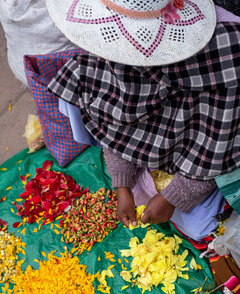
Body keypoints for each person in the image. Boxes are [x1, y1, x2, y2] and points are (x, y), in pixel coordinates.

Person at [46, 0, 240, 240]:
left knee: (198, 227)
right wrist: (122, 184)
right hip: (165, 135)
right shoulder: (107, 41)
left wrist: (172, 197)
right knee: (71, 95)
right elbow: (113, 118)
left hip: (208, 157)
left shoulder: (223, 61)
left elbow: (215, 147)